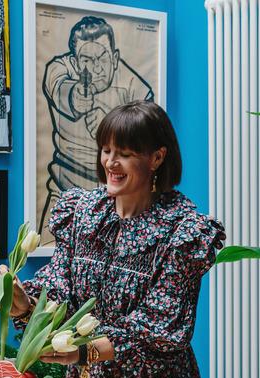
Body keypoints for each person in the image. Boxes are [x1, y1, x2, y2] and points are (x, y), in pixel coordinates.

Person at [0, 101, 225, 378]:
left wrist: (84, 352)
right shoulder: (83, 214)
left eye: (125, 153)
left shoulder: (182, 230)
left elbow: (160, 328)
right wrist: (26, 304)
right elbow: (59, 287)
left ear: (157, 158)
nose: (110, 163)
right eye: (106, 150)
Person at [40, 15, 154, 236]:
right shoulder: (60, 68)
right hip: (64, 190)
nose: (96, 69)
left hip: (120, 204)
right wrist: (74, 97)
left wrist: (114, 129)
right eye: (86, 60)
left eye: (102, 58)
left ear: (115, 57)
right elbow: (58, 84)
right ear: (75, 62)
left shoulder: (136, 90)